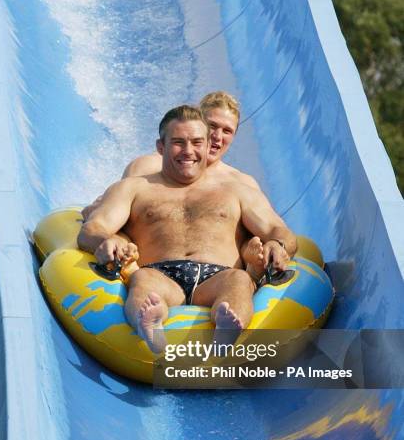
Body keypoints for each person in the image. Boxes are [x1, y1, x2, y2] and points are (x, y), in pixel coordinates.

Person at [78, 105, 297, 352]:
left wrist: (277, 246)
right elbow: (94, 227)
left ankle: (227, 327)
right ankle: (150, 321)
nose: (189, 151)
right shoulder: (134, 188)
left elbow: (279, 230)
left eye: (196, 142)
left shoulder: (236, 191)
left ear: (207, 146)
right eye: (178, 143)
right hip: (159, 274)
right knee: (143, 281)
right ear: (161, 147)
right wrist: (103, 241)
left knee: (239, 280)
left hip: (218, 277)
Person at [82, 91, 286, 273]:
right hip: (151, 270)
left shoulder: (241, 184)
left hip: (221, 275)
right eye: (212, 126)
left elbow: (263, 233)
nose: (217, 137)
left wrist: (271, 247)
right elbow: (118, 216)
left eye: (227, 130)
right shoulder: (147, 169)